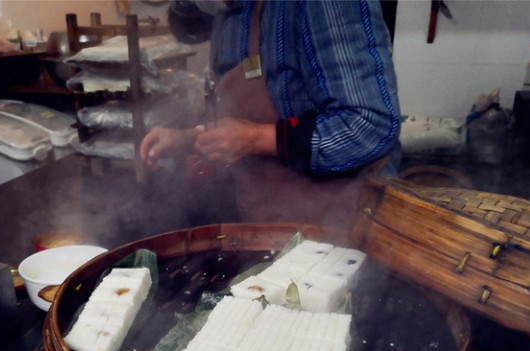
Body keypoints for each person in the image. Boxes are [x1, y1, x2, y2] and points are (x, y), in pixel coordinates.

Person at [140, 0, 400, 230]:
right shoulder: (227, 14)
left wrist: (255, 138)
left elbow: (369, 126)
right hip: (266, 225)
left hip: (342, 229)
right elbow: (235, 122)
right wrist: (188, 139)